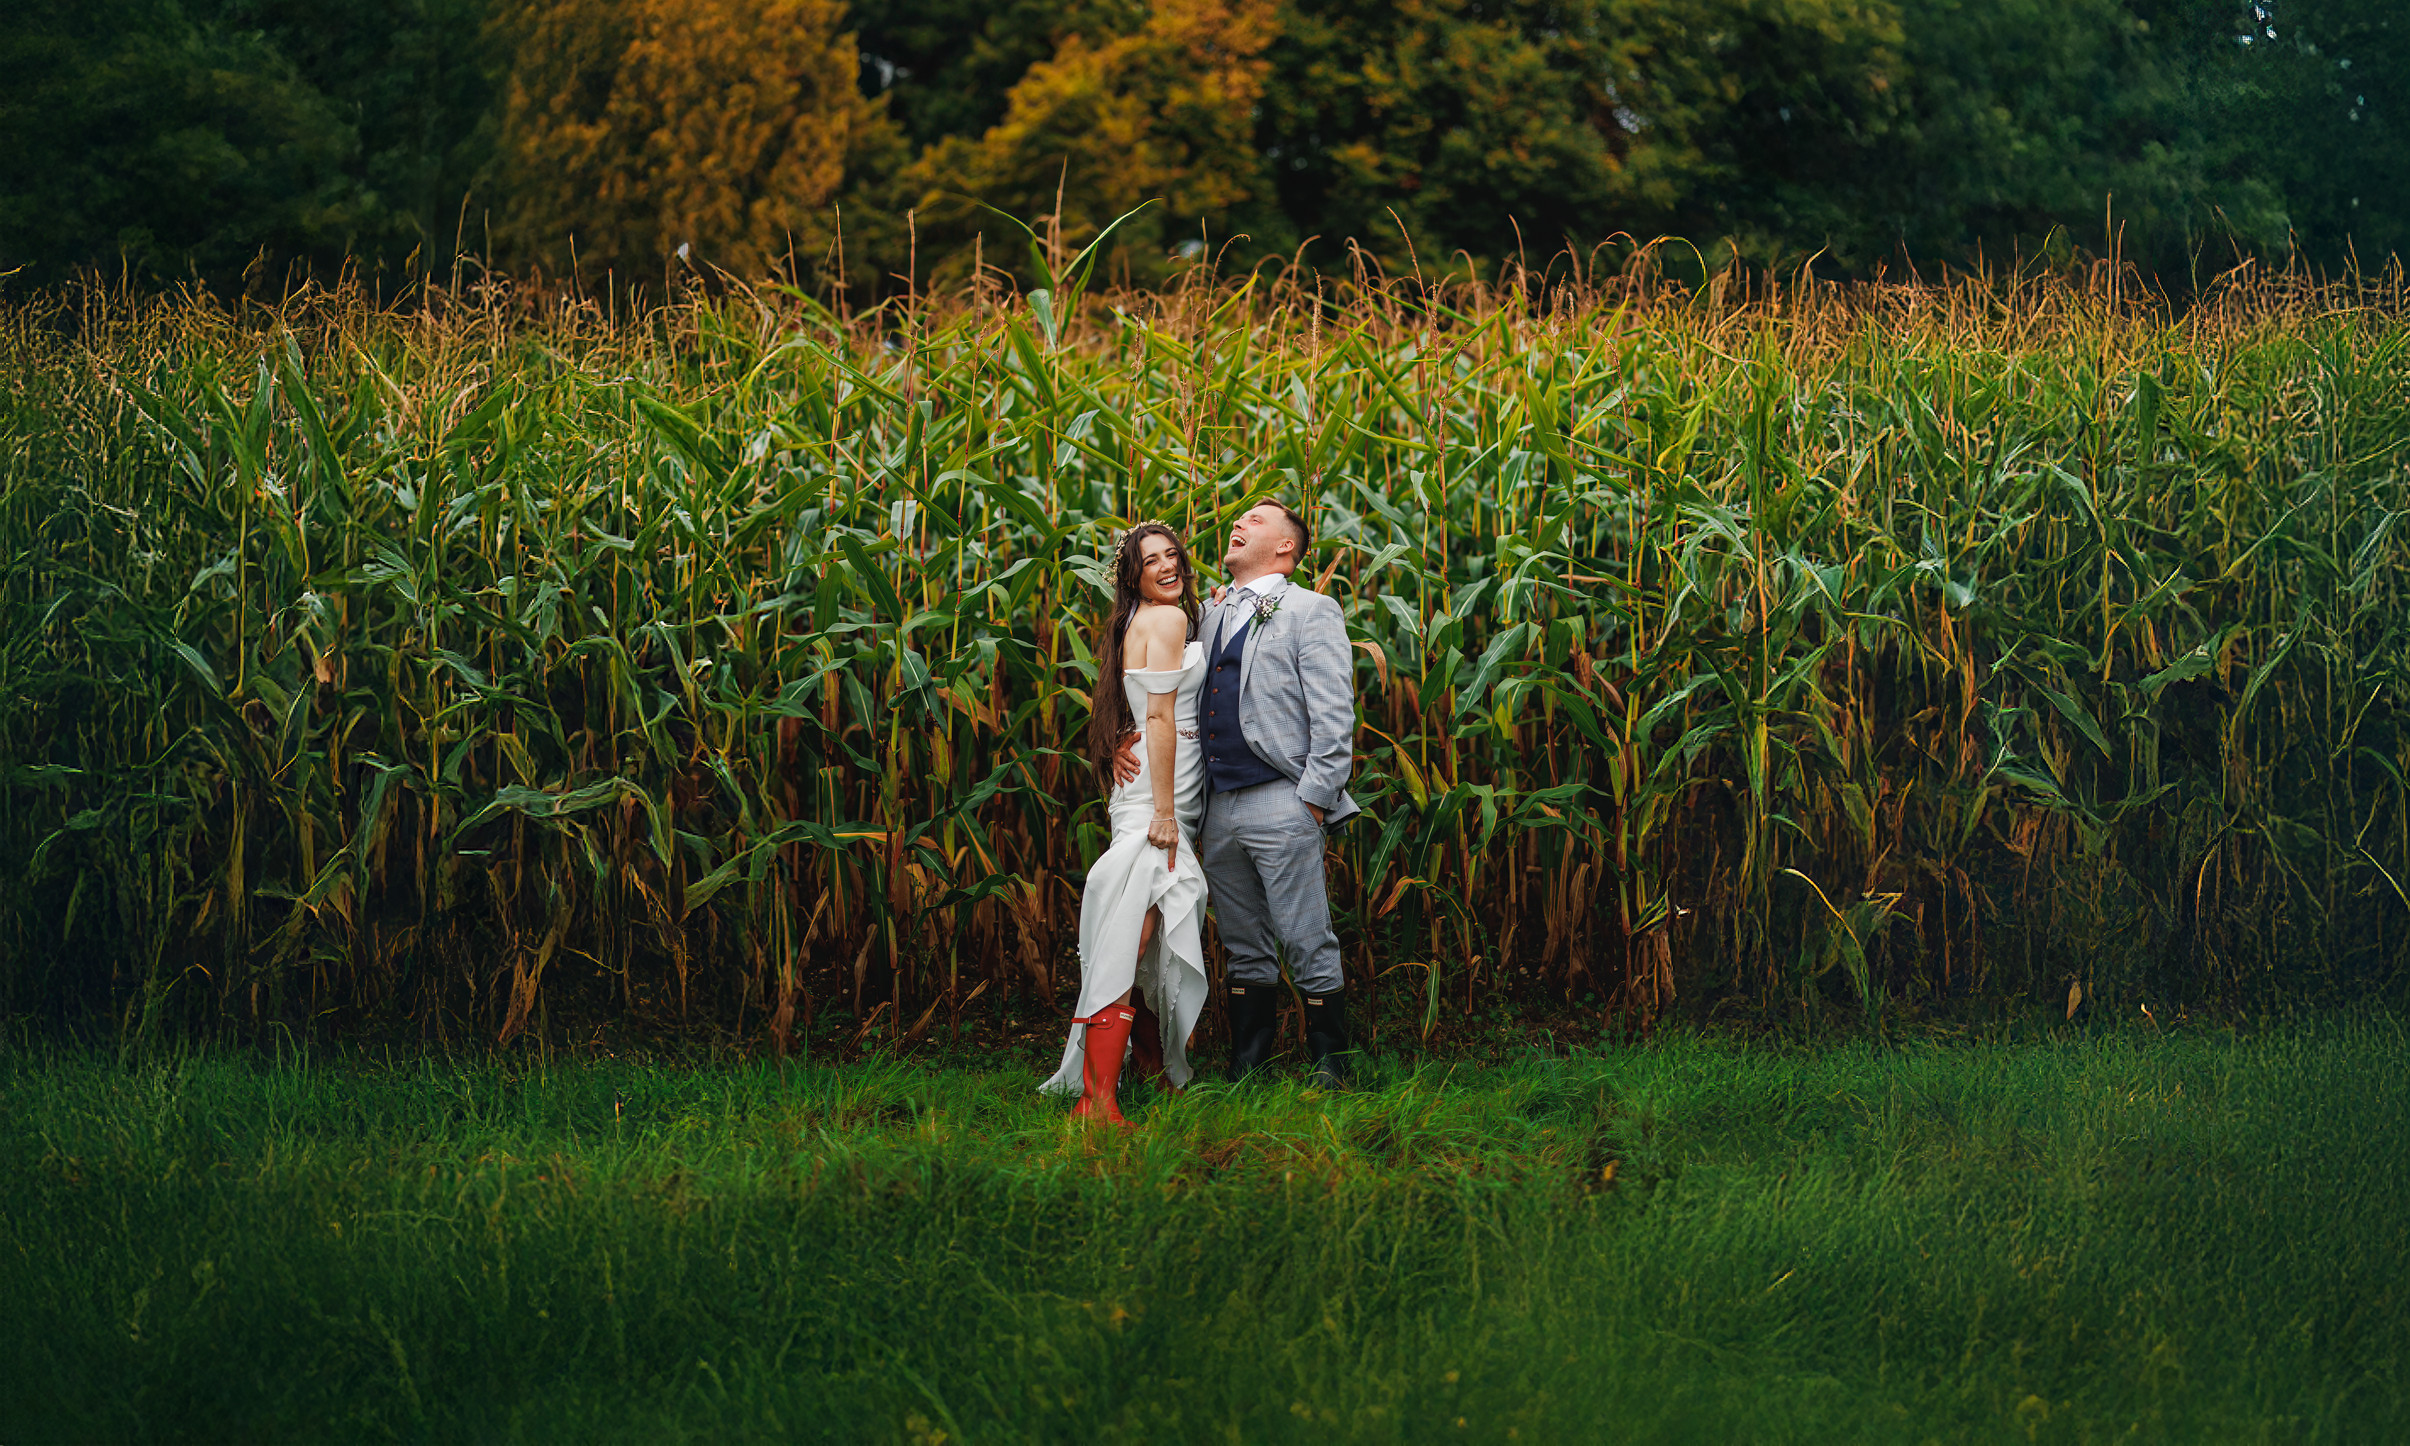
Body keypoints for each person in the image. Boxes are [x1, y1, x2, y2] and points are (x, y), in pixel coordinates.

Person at [1113, 500, 1360, 1088]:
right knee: (1244, 941)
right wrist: (1125, 739)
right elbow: (1163, 693)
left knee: (1305, 934)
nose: (1240, 523)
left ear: (1285, 548)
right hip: (1217, 808)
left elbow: (1334, 714)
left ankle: (1332, 1063)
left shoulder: (1310, 610)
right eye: (1240, 517)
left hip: (1283, 797)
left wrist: (1314, 799)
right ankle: (1250, 1061)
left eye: (1256, 519)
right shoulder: (1208, 615)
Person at [1039, 524, 1212, 1124]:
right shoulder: (1165, 621)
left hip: (1155, 784)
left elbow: (1126, 699)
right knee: (1134, 932)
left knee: (1143, 926)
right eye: (1151, 561)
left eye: (1172, 555)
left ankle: (1148, 1073)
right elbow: (1160, 716)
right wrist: (1163, 813)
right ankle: (1097, 1098)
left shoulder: (1138, 619)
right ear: (1133, 576)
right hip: (1159, 793)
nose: (1167, 567)